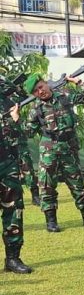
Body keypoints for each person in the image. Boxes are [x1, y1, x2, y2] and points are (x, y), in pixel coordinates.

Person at [24, 73, 84, 232]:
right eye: (36, 91)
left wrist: (78, 82)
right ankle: (51, 222)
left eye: (41, 87)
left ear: (45, 83)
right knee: (47, 185)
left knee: (77, 183)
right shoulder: (35, 109)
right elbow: (28, 133)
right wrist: (18, 120)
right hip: (49, 149)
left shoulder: (65, 96)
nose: (40, 91)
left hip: (68, 147)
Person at [0, 96, 30, 273]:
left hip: (6, 164)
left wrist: (16, 120)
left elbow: (21, 136)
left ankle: (12, 259)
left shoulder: (6, 100)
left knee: (14, 212)